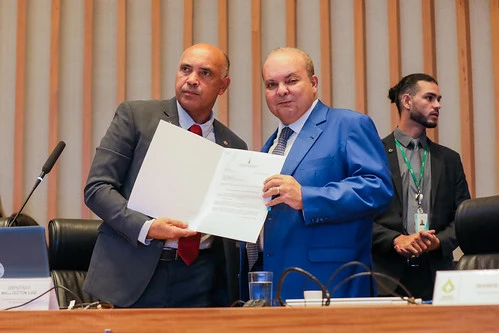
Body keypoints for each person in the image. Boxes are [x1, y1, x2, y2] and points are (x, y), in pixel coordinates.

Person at [83, 43, 247, 308]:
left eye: (205, 73)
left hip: (203, 278)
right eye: (185, 69)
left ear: (223, 85)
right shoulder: (136, 117)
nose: (191, 80)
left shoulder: (234, 146)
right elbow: (97, 188)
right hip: (133, 274)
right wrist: (148, 227)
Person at [254, 47, 393, 301]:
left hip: (330, 281)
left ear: (314, 83)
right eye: (271, 84)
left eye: (291, 80)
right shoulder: (271, 145)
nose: (281, 90)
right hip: (274, 285)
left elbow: (378, 187)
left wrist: (306, 197)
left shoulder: (348, 125)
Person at [372, 73, 471, 301]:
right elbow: (359, 217)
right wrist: (396, 240)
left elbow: (463, 219)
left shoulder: (449, 160)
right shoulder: (374, 154)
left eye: (439, 99)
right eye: (429, 98)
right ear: (406, 101)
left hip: (438, 280)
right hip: (385, 279)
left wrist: (439, 242)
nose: (437, 105)